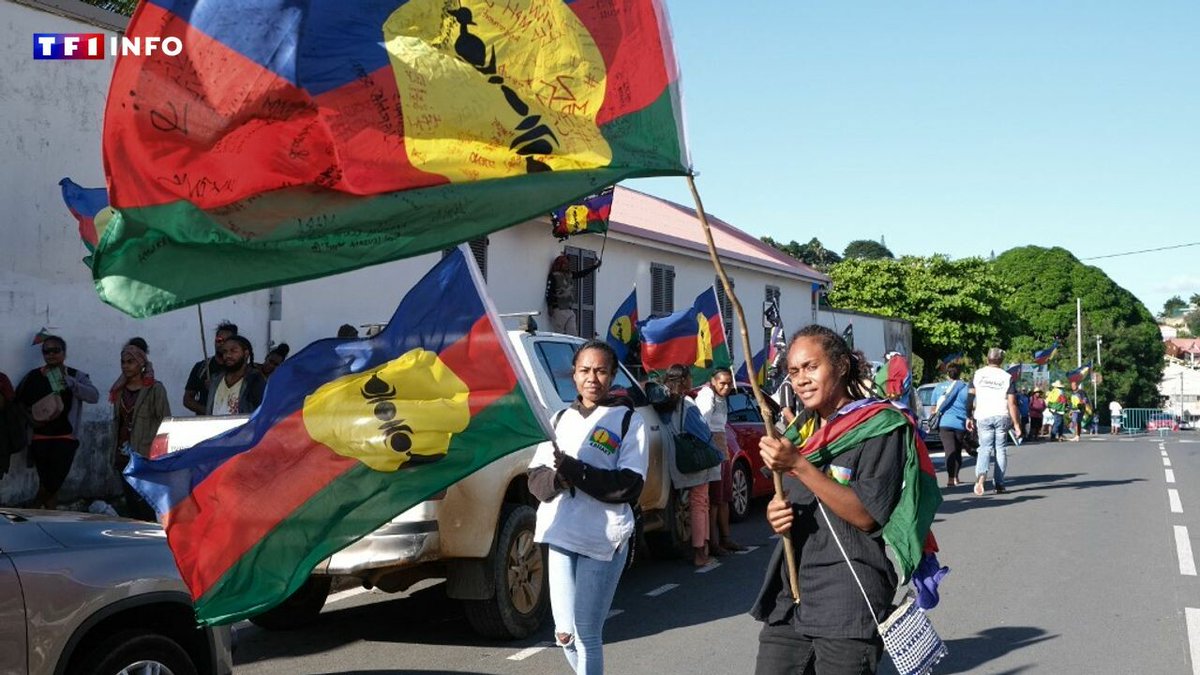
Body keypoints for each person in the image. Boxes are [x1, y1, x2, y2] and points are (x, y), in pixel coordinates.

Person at [752, 325, 909, 675]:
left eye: (811, 367)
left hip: (848, 597)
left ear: (840, 366)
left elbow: (868, 515)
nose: (801, 379)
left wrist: (798, 465)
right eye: (793, 371)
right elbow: (797, 501)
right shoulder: (804, 431)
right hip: (792, 594)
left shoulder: (880, 426)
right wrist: (776, 514)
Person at [527, 340, 648, 675]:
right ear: (573, 375)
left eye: (601, 370)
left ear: (612, 376)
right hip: (561, 534)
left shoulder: (627, 421)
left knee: (586, 633)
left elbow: (628, 485)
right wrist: (562, 479)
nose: (592, 378)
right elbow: (536, 481)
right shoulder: (559, 418)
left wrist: (574, 470)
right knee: (564, 635)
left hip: (603, 540)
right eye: (584, 370)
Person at [15, 336, 99, 509]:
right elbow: (18, 402)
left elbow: (94, 396)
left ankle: (34, 507)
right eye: (46, 351)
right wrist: (31, 421)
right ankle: (48, 517)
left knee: (54, 483)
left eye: (56, 350)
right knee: (47, 483)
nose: (51, 354)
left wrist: (72, 384)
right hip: (40, 437)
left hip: (65, 437)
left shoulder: (76, 375)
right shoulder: (33, 376)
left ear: (64, 353)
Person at [657, 364, 721, 566]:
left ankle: (692, 547)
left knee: (680, 505)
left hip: (673, 460)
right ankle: (701, 553)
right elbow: (701, 434)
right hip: (693, 460)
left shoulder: (662, 402)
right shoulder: (687, 403)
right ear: (684, 380)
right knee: (700, 503)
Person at [109, 342, 170, 520]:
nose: (126, 366)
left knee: (146, 503)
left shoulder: (155, 389)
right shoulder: (119, 390)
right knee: (131, 502)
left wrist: (160, 455)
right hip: (122, 454)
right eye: (123, 362)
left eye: (130, 362)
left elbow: (165, 422)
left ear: (141, 363)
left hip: (144, 454)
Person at [694, 366, 746, 554]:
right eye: (722, 383)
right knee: (714, 499)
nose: (726, 387)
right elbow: (703, 424)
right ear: (713, 381)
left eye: (729, 383)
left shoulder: (722, 398)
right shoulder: (706, 395)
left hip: (722, 449)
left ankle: (725, 538)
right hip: (713, 450)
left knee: (725, 498)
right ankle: (713, 542)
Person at [968, 348, 1023, 495]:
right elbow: (1012, 403)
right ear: (1001, 361)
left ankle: (980, 478)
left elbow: (970, 396)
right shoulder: (1007, 377)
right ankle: (999, 483)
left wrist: (968, 416)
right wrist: (1017, 425)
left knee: (985, 448)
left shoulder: (978, 374)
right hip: (1001, 415)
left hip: (983, 415)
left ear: (987, 359)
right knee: (1000, 449)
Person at [184, 322, 236, 415]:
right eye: (219, 340)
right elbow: (187, 400)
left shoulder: (238, 367)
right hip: (205, 424)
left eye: (227, 341)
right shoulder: (202, 367)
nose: (222, 344)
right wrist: (208, 411)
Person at [207, 335, 266, 416]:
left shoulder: (255, 381)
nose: (228, 355)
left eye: (233, 351)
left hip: (243, 428)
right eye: (225, 352)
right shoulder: (216, 379)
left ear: (246, 354)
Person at [933, 363, 970, 487]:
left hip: (944, 423)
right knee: (958, 450)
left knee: (949, 451)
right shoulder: (965, 387)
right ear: (960, 373)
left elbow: (934, 408)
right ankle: (956, 476)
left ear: (947, 373)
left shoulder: (939, 388)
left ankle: (950, 478)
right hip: (960, 423)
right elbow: (971, 405)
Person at [545, 254, 601, 336]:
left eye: (567, 264)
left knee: (573, 334)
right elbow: (549, 291)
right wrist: (550, 306)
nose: (567, 266)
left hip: (569, 308)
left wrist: (595, 266)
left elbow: (582, 274)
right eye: (565, 264)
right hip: (558, 308)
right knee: (559, 334)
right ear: (560, 264)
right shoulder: (554, 276)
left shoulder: (569, 275)